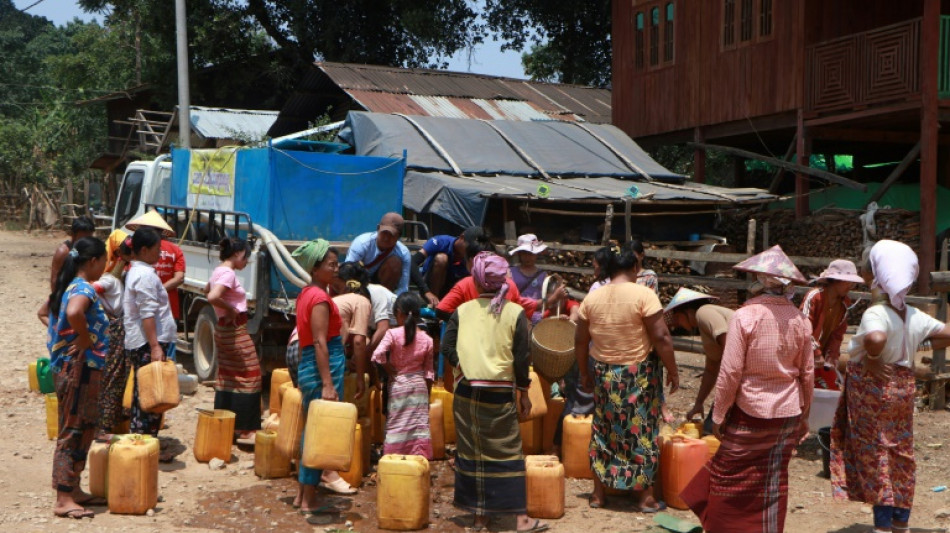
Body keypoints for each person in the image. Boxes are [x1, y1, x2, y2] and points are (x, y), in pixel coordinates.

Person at [681, 245, 813, 533]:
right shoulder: (801, 321)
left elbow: (730, 372)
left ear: (759, 281)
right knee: (771, 482)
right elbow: (807, 374)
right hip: (786, 414)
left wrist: (718, 416)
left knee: (726, 480)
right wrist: (805, 415)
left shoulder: (746, 316)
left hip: (751, 412)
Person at [830, 240, 950, 533]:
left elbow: (876, 339)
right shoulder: (912, 314)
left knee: (876, 454)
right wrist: (914, 342)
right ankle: (901, 522)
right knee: (901, 453)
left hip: (874, 388)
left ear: (874, 275)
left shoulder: (876, 313)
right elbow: (947, 333)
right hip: (902, 388)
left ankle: (883, 526)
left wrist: (872, 357)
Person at [440, 252, 548, 533]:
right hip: (499, 393)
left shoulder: (462, 312)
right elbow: (522, 358)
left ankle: (479, 518)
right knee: (508, 452)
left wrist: (462, 365)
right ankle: (520, 519)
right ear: (503, 281)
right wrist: (523, 393)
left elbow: (446, 347)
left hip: (466, 391)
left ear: (475, 281)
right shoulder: (515, 313)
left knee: (473, 451)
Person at [575, 241, 679, 511]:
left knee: (603, 430)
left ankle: (599, 495)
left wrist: (584, 374)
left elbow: (579, 341)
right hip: (637, 375)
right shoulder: (644, 295)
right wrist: (673, 371)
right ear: (635, 266)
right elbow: (661, 336)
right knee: (642, 431)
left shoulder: (592, 297)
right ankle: (645, 497)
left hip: (603, 373)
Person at [46, 236, 109, 519]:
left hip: (81, 369)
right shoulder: (83, 288)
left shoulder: (72, 285)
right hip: (78, 369)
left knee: (83, 427)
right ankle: (63, 497)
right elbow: (74, 313)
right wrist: (84, 338)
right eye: (104, 261)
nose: (106, 267)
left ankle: (74, 489)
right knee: (72, 429)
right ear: (93, 261)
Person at [290, 239, 346, 513]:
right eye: (331, 264)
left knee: (310, 431)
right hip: (322, 365)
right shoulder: (320, 298)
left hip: (310, 364)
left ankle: (302, 495)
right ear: (315, 268)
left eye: (337, 264)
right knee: (319, 433)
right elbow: (321, 342)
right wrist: (328, 383)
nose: (336, 268)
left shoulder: (306, 294)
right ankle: (310, 499)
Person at [206, 237, 261, 444]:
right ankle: (246, 429)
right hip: (235, 330)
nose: (246, 262)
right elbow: (212, 296)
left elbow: (207, 291)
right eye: (246, 257)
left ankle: (228, 424)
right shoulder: (228, 273)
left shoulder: (218, 271)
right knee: (250, 375)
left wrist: (224, 307)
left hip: (223, 330)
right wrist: (231, 309)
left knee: (229, 376)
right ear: (238, 254)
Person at [123, 228, 177, 437]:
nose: (160, 254)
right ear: (144, 250)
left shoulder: (136, 271)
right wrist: (155, 346)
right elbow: (147, 313)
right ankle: (145, 440)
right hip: (147, 341)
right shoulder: (144, 275)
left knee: (142, 391)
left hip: (142, 340)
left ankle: (141, 438)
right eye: (157, 249)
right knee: (152, 393)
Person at [372, 292, 434, 458]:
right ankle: (417, 462)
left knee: (397, 426)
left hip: (399, 384)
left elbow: (377, 355)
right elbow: (429, 373)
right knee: (418, 427)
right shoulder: (427, 339)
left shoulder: (392, 334)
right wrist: (427, 395)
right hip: (419, 387)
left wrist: (389, 369)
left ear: (398, 313)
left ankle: (393, 460)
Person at [664, 288, 734, 431]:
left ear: (687, 311)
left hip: (743, 375)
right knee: (711, 427)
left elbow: (730, 347)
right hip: (736, 377)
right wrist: (699, 403)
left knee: (713, 428)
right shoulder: (705, 327)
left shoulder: (704, 312)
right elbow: (711, 369)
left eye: (677, 317)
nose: (677, 323)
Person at [436, 236, 538, 320]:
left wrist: (467, 321)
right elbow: (519, 313)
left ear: (472, 260)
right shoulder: (509, 284)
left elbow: (441, 310)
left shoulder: (465, 284)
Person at [800, 259, 865, 390]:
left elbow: (838, 334)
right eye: (847, 282)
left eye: (852, 284)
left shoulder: (844, 303)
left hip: (820, 358)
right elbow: (803, 328)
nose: (850, 287)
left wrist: (832, 356)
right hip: (803, 355)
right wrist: (816, 353)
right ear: (835, 281)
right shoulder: (815, 297)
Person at [93, 233, 133, 436]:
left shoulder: (120, 276)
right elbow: (91, 290)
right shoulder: (109, 280)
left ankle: (112, 420)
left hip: (119, 328)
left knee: (118, 375)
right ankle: (105, 425)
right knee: (114, 376)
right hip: (117, 328)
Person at [126, 210, 185, 326]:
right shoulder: (175, 249)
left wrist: (155, 291)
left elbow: (128, 275)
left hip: (142, 312)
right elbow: (179, 278)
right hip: (168, 309)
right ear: (162, 231)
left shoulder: (136, 250)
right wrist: (160, 290)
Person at [412, 226, 483, 306]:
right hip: (430, 286)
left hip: (452, 288)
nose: (471, 252)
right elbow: (413, 262)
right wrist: (425, 291)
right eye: (470, 248)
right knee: (441, 259)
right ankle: (432, 303)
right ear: (462, 238)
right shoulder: (441, 241)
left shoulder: (472, 257)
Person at [345, 212, 413, 294]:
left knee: (395, 263)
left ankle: (384, 298)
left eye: (391, 235)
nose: (386, 238)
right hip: (360, 282)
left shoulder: (403, 253)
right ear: (378, 228)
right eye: (384, 233)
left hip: (381, 283)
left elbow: (403, 287)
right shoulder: (361, 243)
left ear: (399, 236)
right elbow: (348, 271)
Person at [509, 234, 565, 323]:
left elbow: (549, 298)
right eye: (524, 254)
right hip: (516, 315)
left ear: (536, 254)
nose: (528, 257)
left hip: (537, 317)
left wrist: (557, 296)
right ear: (519, 254)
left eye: (531, 254)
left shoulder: (543, 275)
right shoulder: (510, 273)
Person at [50, 216, 96, 292]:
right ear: (73, 235)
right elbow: (54, 280)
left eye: (89, 238)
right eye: (83, 238)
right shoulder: (63, 252)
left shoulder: (89, 250)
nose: (86, 242)